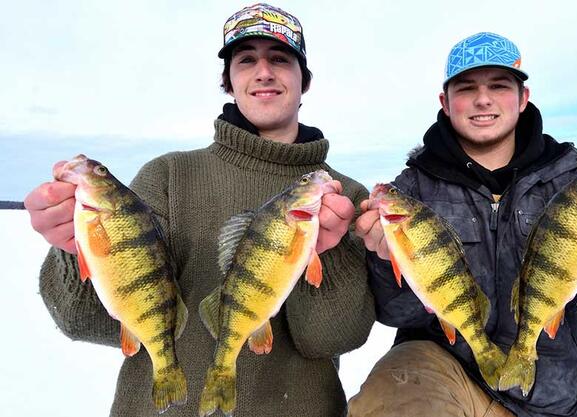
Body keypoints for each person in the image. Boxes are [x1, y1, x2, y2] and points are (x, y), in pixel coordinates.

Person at [24, 3, 375, 417]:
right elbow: (84, 322)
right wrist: (73, 245)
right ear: (229, 81)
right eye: (246, 60)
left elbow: (331, 338)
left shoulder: (346, 195)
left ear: (305, 81)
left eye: (280, 58)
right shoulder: (167, 176)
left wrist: (324, 255)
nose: (264, 71)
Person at [351, 32, 577, 417]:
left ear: (523, 98)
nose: (483, 99)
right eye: (466, 88)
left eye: (499, 86)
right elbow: (396, 313)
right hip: (439, 376)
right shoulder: (410, 191)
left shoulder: (570, 181)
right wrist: (390, 262)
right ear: (445, 103)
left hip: (546, 397)